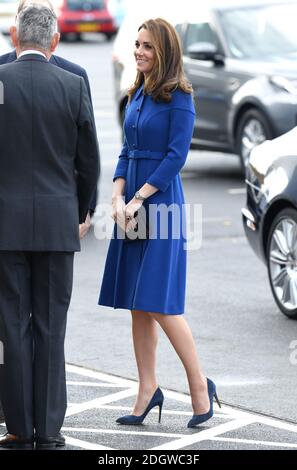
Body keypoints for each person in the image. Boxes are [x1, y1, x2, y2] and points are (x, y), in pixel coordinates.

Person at [99, 18, 221, 428]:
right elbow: (124, 150)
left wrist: (137, 197)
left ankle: (200, 387)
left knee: (160, 302)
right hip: (130, 204)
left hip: (160, 203)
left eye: (147, 46)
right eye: (136, 44)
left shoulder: (179, 96)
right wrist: (116, 195)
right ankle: (147, 390)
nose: (139, 52)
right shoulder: (135, 93)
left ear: (164, 51)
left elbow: (176, 157)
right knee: (138, 305)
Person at [0, 3, 99, 449]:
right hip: (59, 225)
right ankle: (49, 430)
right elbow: (89, 162)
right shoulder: (73, 84)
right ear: (54, 42)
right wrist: (82, 212)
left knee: (13, 327)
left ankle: (19, 429)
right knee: (52, 329)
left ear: (15, 38)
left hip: (5, 225)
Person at [0, 0, 100, 236]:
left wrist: (86, 210)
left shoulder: (75, 76)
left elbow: (86, 151)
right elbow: (89, 159)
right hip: (40, 215)